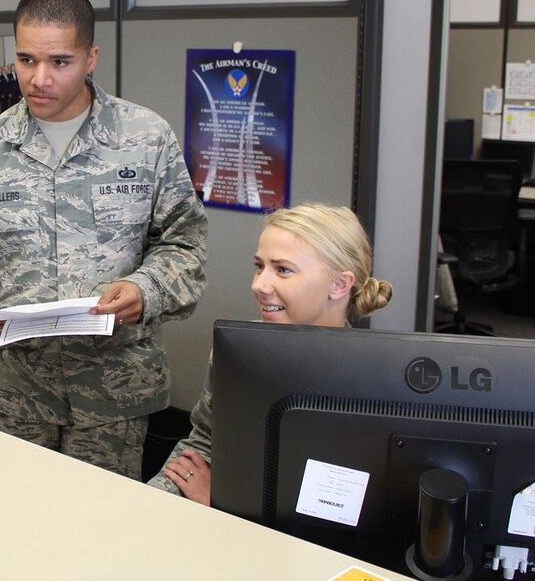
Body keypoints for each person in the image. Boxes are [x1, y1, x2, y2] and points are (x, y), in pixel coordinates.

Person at [0, 0, 208, 479]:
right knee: (7, 531)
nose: (39, 79)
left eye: (60, 61)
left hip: (113, 391)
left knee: (102, 538)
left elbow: (184, 244)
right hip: (12, 390)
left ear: (91, 57)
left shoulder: (145, 139)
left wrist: (145, 290)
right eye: (26, 59)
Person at [148, 203, 393, 503]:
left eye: (283, 270)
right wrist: (155, 503)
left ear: (340, 284)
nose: (259, 285)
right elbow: (204, 442)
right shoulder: (238, 351)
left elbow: (334, 510)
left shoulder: (370, 381)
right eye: (259, 266)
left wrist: (226, 502)